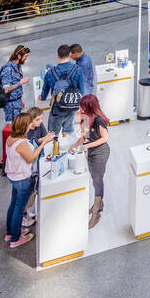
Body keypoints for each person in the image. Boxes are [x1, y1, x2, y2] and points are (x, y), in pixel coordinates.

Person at [3, 111, 53, 248]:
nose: (31, 124)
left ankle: (10, 232)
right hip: (23, 179)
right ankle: (15, 238)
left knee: (13, 205)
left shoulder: (10, 139)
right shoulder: (22, 144)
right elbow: (31, 158)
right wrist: (43, 144)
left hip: (13, 177)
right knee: (19, 209)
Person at [71, 95, 111, 229]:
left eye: (82, 106)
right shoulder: (86, 118)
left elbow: (104, 138)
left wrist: (87, 146)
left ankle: (95, 213)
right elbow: (84, 136)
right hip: (92, 152)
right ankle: (99, 204)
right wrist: (74, 146)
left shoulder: (99, 120)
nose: (79, 108)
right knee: (95, 179)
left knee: (97, 180)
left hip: (100, 152)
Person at [0, 46, 30, 170]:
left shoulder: (17, 66)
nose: (26, 59)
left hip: (16, 102)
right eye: (25, 56)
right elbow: (6, 89)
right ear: (19, 56)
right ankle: (6, 158)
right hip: (10, 105)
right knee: (11, 130)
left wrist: (20, 99)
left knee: (15, 129)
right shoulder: (7, 69)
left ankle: (12, 154)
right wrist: (20, 83)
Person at [40, 45, 82, 134]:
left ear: (58, 56)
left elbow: (45, 90)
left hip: (57, 108)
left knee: (53, 134)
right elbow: (82, 90)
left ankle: (55, 146)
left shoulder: (50, 73)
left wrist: (42, 97)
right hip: (72, 106)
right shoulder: (78, 69)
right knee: (67, 131)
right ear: (70, 54)